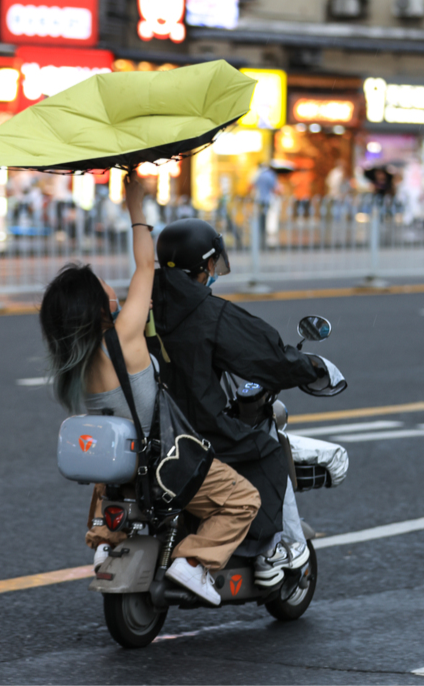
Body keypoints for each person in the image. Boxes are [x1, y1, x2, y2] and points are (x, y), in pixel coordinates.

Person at [38, 175, 261, 606]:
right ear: (94, 306)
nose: (111, 287)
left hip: (120, 469)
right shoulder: (123, 337)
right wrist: (136, 205)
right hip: (162, 459)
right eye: (102, 286)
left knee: (116, 483)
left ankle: (108, 536)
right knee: (242, 499)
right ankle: (194, 563)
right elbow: (146, 266)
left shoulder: (76, 363)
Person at [149, 219, 326, 588]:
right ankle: (270, 550)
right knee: (267, 450)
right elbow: (267, 356)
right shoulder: (210, 313)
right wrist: (309, 366)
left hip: (152, 429)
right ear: (206, 265)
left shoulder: (143, 303)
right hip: (201, 429)